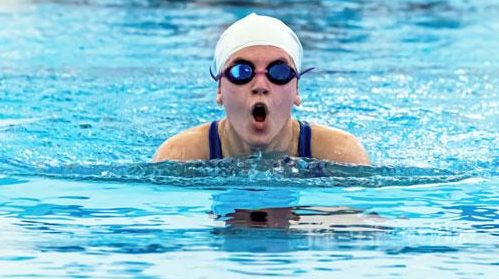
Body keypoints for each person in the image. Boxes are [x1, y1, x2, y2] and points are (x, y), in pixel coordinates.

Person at [153, 13, 370, 165]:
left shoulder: (340, 154)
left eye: (279, 72)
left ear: (296, 91)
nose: (260, 86)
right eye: (241, 71)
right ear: (219, 89)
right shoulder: (179, 155)